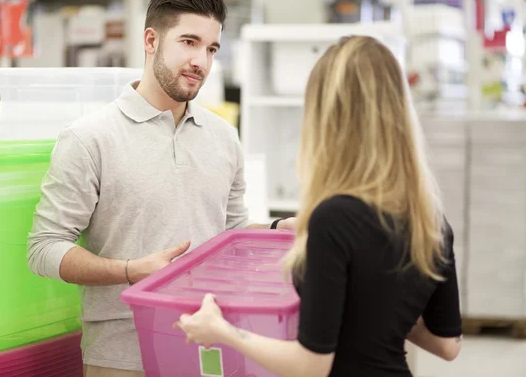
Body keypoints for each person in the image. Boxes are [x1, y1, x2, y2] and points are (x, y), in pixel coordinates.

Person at [27, 0, 294, 377]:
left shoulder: (224, 138)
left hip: (208, 349)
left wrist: (274, 229)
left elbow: (229, 231)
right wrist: (130, 270)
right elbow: (44, 248)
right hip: (121, 357)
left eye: (211, 48)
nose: (200, 60)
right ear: (151, 40)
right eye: (189, 41)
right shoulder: (89, 138)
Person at [176, 36, 463, 377]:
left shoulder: (335, 218)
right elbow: (447, 345)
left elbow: (312, 365)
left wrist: (223, 331)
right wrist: (380, 307)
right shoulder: (430, 220)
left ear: (330, 116)